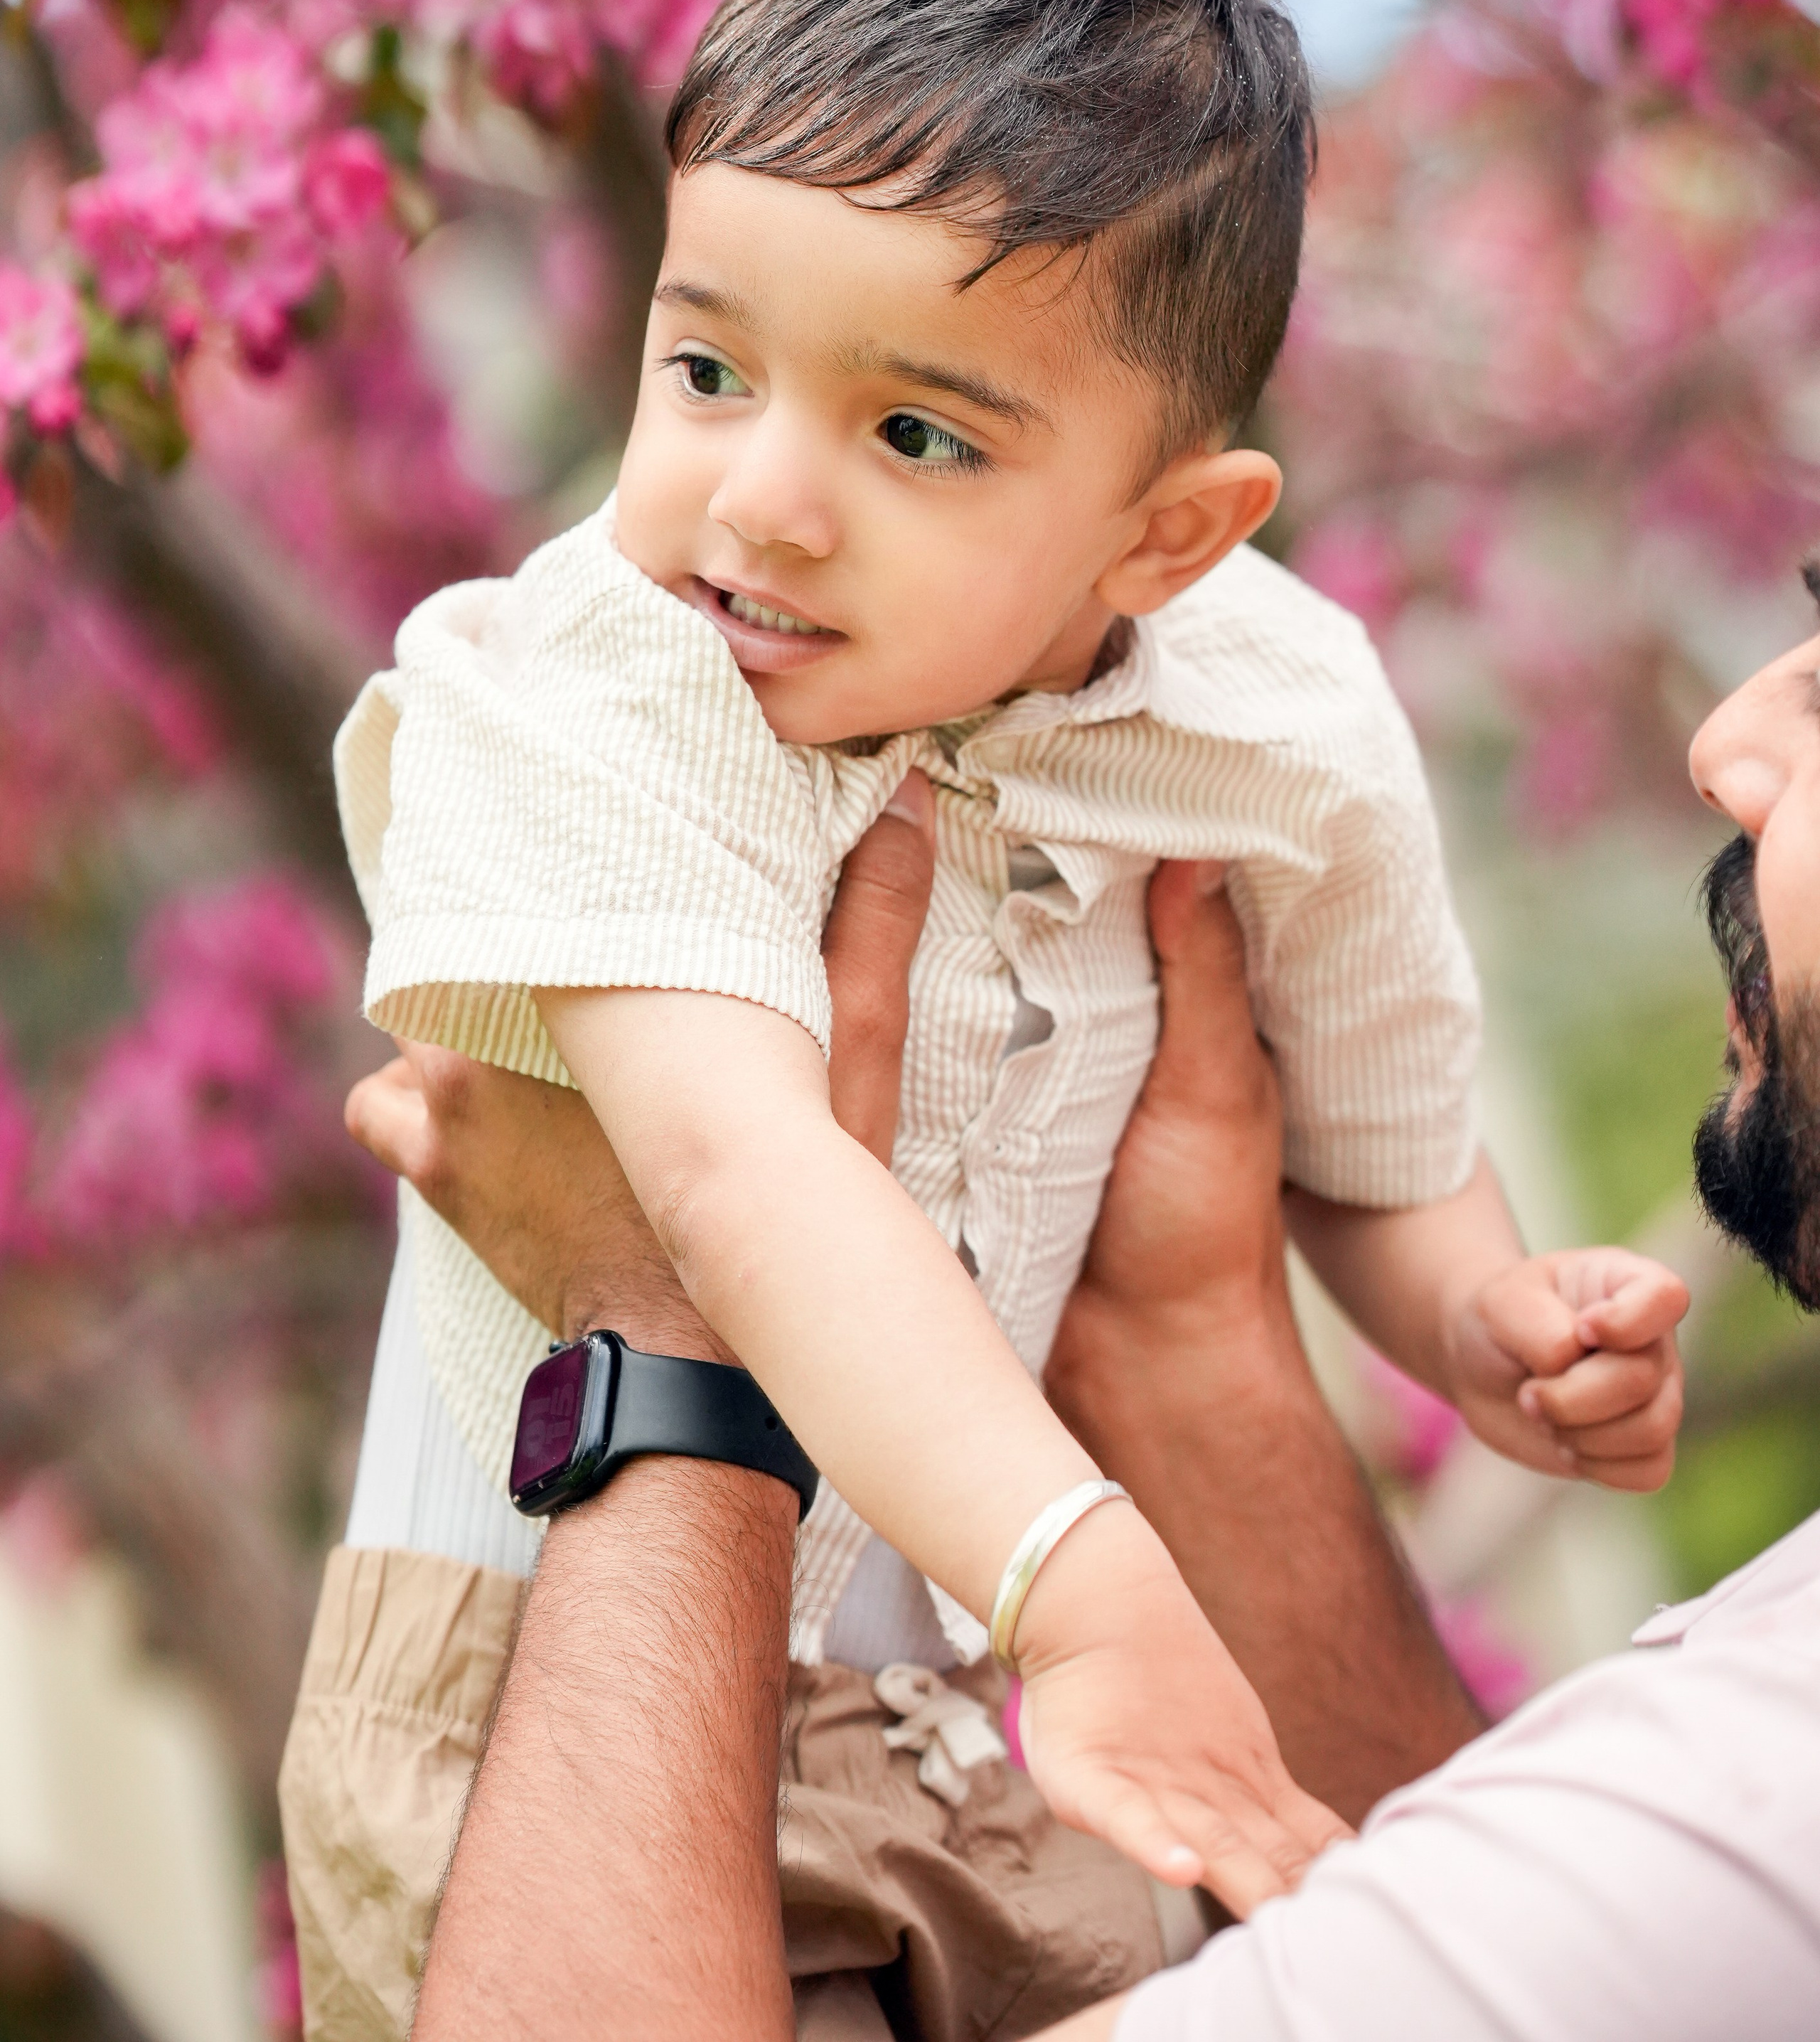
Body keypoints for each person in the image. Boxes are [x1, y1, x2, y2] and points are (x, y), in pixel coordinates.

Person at [300, 0, 1683, 2012]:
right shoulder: (588, 684)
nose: (760, 496)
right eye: (705, 365)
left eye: (917, 429)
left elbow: (1374, 1118)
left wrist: (1480, 1307)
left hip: (972, 1679)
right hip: (555, 1670)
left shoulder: (1273, 709)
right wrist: (1086, 1584)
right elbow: (739, 1176)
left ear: (1165, 533)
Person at [340, 572, 1820, 2041]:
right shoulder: (611, 659)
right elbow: (1439, 1934)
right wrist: (1216, 1339)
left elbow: (1384, 1089)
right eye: (701, 373)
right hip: (901, 1705)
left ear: (1165, 525)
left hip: (774, 1714)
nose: (1726, 739)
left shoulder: (1749, 1817)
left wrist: (667, 1336)